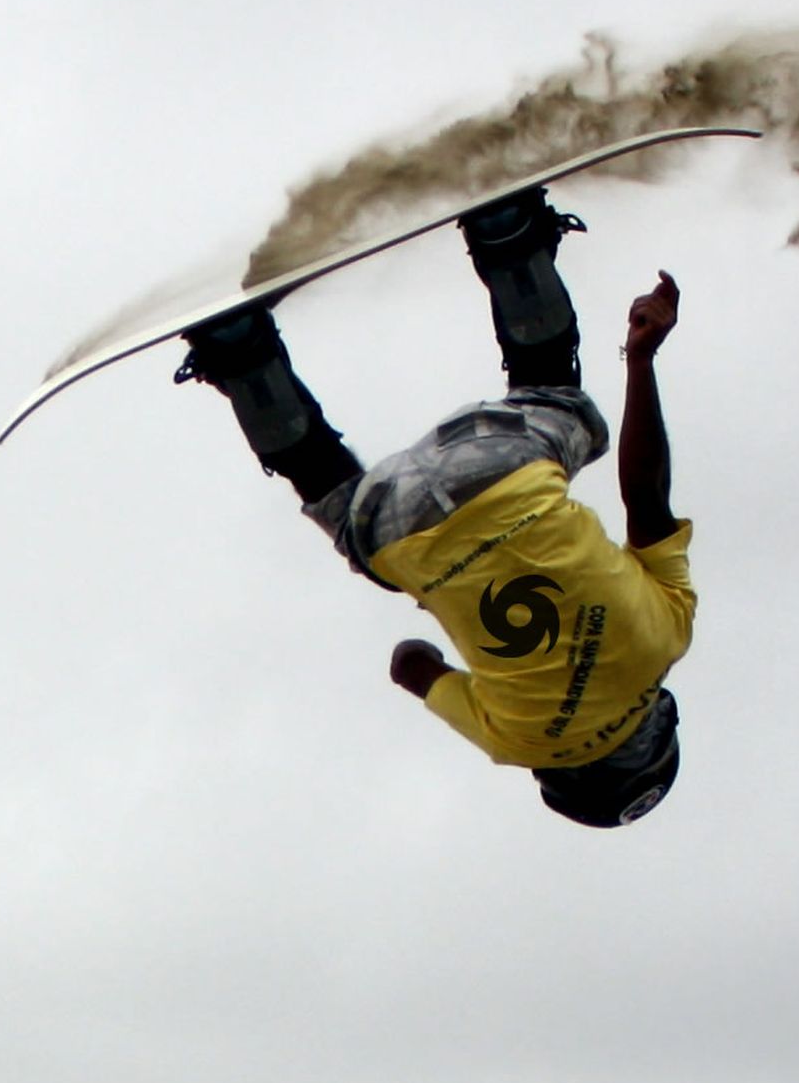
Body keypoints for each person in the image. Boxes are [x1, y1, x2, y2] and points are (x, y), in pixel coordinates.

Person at [175, 187, 694, 827]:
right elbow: (409, 664)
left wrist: (641, 358)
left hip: (509, 462)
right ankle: (239, 353)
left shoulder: (668, 636)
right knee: (357, 533)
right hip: (400, 522)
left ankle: (508, 237)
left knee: (555, 393)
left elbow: (645, 496)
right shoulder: (515, 743)